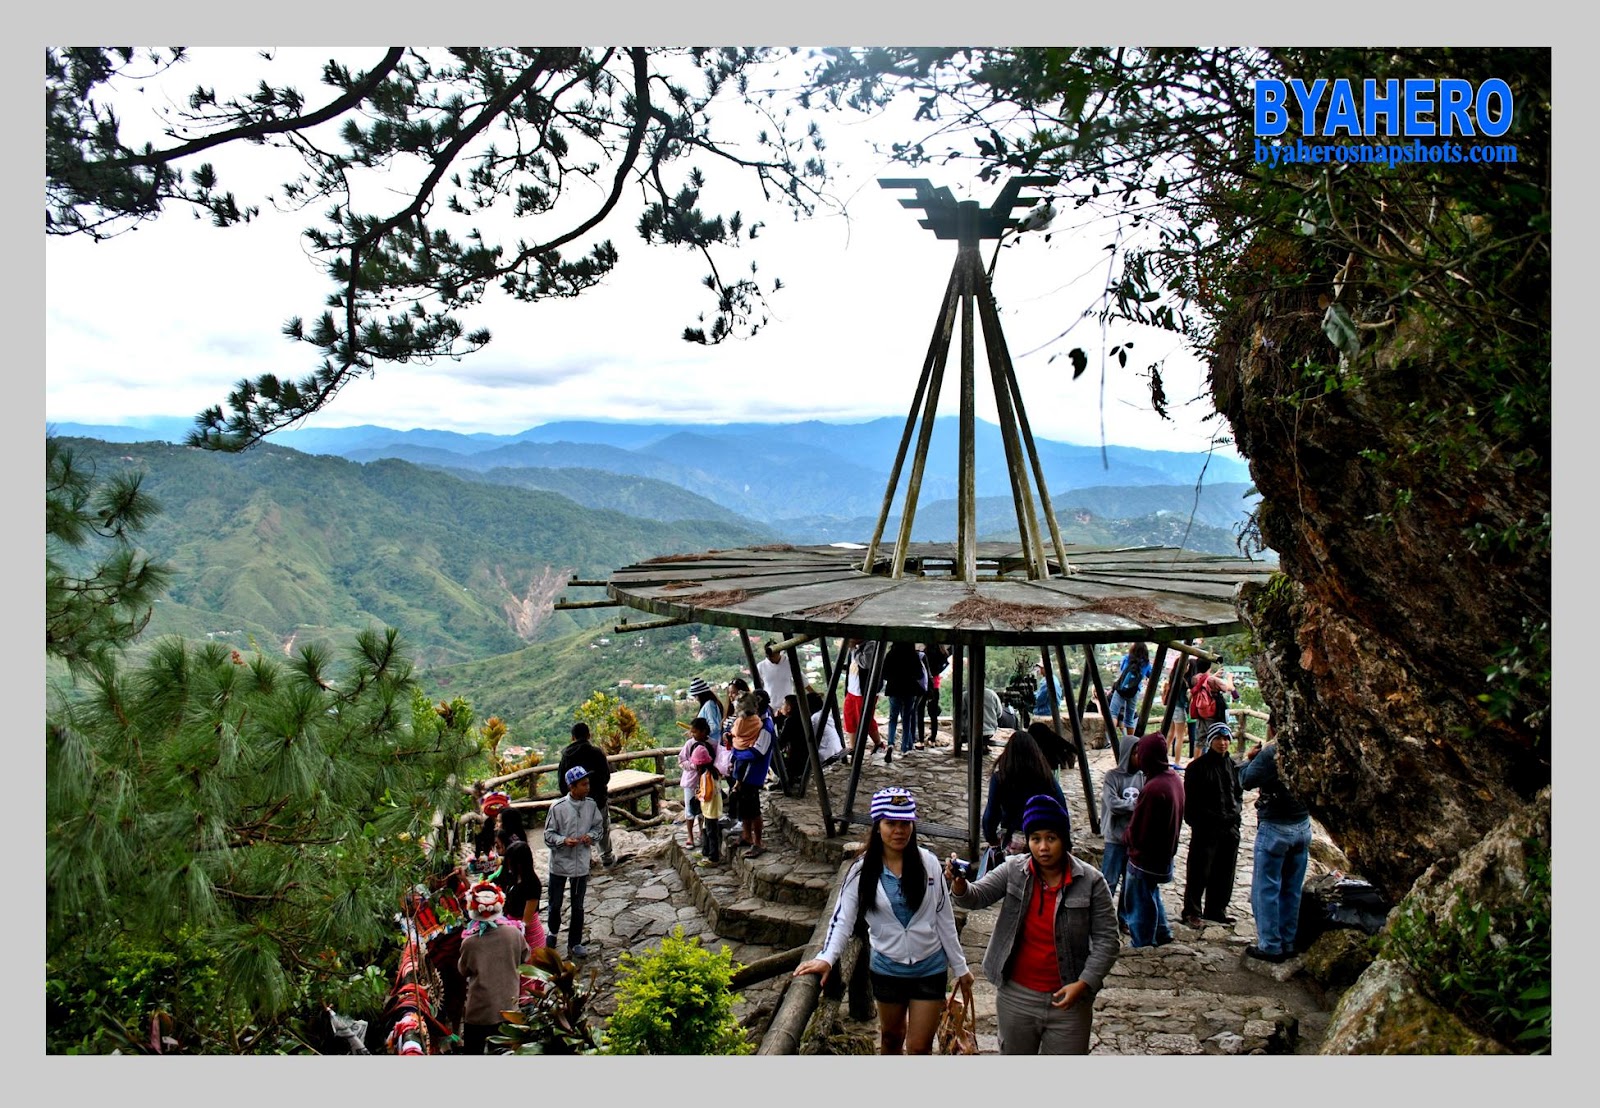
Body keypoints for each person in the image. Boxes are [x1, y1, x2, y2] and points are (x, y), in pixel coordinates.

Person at [793, 787, 974, 1055]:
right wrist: (827, 957)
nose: (899, 831)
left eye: (905, 823)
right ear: (878, 826)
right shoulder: (861, 871)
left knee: (919, 1047)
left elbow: (943, 917)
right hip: (888, 969)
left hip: (929, 968)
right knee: (891, 1037)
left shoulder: (929, 864)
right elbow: (843, 918)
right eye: (891, 823)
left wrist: (961, 967)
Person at [947, 793, 1120, 1054]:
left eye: (1051, 838)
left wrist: (1084, 983)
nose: (1043, 847)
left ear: (1064, 839)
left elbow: (1108, 940)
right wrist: (959, 883)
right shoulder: (1014, 869)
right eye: (1035, 839)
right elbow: (976, 897)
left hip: (1069, 999)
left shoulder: (1091, 881)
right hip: (1017, 996)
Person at [1239, 729, 1313, 963]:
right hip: (1302, 824)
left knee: (1266, 888)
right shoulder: (1309, 745)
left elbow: (1246, 780)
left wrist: (1247, 760)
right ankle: (1288, 941)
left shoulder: (1272, 753)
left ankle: (1270, 945)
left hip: (1275, 826)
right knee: (1291, 888)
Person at [1180, 721, 1244, 929]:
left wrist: (1235, 816)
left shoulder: (1232, 766)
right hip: (1206, 829)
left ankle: (1217, 909)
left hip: (1229, 829)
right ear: (1210, 741)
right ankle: (1192, 911)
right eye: (1218, 738)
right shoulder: (1197, 768)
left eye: (1226, 739)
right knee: (1199, 871)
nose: (1223, 743)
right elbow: (1192, 804)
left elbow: (1238, 795)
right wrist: (1208, 820)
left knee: (1225, 872)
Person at [1123, 732, 1184, 948]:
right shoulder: (1173, 779)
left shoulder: (1154, 789)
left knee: (1139, 902)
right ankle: (1162, 931)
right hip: (1164, 854)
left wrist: (1127, 838)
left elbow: (1141, 829)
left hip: (1146, 858)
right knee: (1150, 894)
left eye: (1140, 753)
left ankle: (1142, 943)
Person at [456, 881, 531, 1055]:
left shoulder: (470, 942)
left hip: (480, 1012)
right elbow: (524, 956)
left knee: (473, 1053)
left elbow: (463, 970)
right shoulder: (514, 933)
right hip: (508, 1007)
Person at [982, 725, 1068, 862]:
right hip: (1042, 841)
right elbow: (1062, 810)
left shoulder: (1000, 779)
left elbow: (990, 816)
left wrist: (992, 839)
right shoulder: (1046, 778)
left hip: (1012, 841)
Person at [543, 765, 603, 959]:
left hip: (580, 865)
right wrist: (563, 841)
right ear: (572, 787)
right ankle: (552, 931)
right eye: (583, 784)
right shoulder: (558, 807)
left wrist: (591, 837)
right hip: (560, 864)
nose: (587, 787)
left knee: (578, 905)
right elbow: (548, 835)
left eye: (588, 783)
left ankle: (575, 942)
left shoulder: (591, 806)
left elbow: (598, 828)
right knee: (555, 902)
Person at [1099, 737, 1143, 935]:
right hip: (1115, 839)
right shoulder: (1112, 777)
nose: (1138, 757)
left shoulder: (1144, 777)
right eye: (1135, 753)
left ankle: (1124, 918)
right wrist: (1137, 807)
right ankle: (1102, 918)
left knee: (1130, 883)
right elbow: (1113, 804)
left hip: (1134, 838)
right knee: (1109, 881)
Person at [557, 722, 614, 867]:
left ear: (572, 737)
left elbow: (562, 783)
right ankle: (607, 857)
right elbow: (606, 776)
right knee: (602, 827)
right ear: (589, 735)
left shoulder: (566, 756)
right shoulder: (596, 752)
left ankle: (584, 861)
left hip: (576, 802)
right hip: (597, 800)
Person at [728, 692, 774, 858]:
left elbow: (757, 753)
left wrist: (736, 752)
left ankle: (758, 842)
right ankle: (747, 836)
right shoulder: (752, 723)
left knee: (753, 809)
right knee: (745, 807)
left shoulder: (766, 726)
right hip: (743, 772)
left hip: (754, 773)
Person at [494, 809, 548, 947]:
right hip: (515, 932)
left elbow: (526, 922)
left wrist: (507, 927)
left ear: (519, 863)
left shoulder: (531, 884)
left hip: (529, 938)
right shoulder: (514, 878)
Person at [682, 717, 724, 862]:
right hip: (696, 788)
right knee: (693, 814)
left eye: (695, 731)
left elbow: (708, 794)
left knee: (708, 826)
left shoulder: (708, 777)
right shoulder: (690, 745)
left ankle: (711, 855)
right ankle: (701, 846)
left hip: (709, 805)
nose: (692, 734)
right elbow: (682, 760)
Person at [842, 639, 886, 757]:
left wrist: (854, 649)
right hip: (852, 690)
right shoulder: (855, 646)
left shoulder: (870, 644)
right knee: (849, 718)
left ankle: (878, 743)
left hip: (864, 691)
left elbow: (866, 663)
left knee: (865, 719)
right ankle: (853, 747)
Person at [882, 640, 926, 754]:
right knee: (906, 718)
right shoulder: (913, 655)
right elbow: (920, 674)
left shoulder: (890, 654)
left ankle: (890, 743)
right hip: (909, 689)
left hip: (893, 689)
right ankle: (904, 747)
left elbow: (884, 674)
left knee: (893, 718)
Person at [1107, 642, 1151, 735]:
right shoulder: (1146, 664)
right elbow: (1151, 675)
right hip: (1134, 692)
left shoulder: (1127, 658)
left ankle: (1111, 739)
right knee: (1129, 718)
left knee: (1113, 713)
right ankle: (1131, 743)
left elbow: (1122, 671)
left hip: (1121, 690)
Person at [922, 643, 951, 746]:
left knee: (920, 712)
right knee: (933, 714)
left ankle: (920, 739)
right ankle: (933, 738)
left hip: (923, 685)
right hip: (935, 686)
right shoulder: (942, 654)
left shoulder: (925, 654)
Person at [756, 641, 796, 713]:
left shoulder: (789, 663)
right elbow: (758, 687)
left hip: (787, 708)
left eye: (772, 656)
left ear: (779, 653)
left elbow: (802, 681)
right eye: (768, 656)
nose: (770, 658)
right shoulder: (761, 666)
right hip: (769, 707)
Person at [808, 688, 844, 765]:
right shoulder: (824, 714)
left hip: (826, 754)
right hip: (836, 748)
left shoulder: (814, 718)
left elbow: (809, 737)